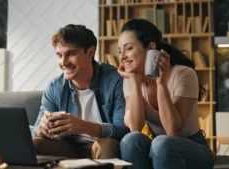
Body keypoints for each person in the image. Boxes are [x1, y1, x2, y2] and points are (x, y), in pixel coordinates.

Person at [118, 19, 214, 169]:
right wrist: (134, 82)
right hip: (158, 149)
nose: (122, 56)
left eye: (129, 48)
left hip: (192, 148)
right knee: (131, 140)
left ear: (150, 48)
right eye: (120, 51)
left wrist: (161, 83)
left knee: (162, 142)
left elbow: (172, 130)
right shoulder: (130, 79)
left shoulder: (183, 74)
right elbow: (135, 127)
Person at [31, 24, 129, 159]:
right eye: (59, 55)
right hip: (69, 147)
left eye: (71, 54)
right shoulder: (55, 87)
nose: (64, 62)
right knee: (35, 143)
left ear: (90, 52)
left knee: (106, 144)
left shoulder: (115, 80)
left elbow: (123, 129)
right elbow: (35, 130)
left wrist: (83, 127)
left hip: (102, 145)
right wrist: (41, 129)